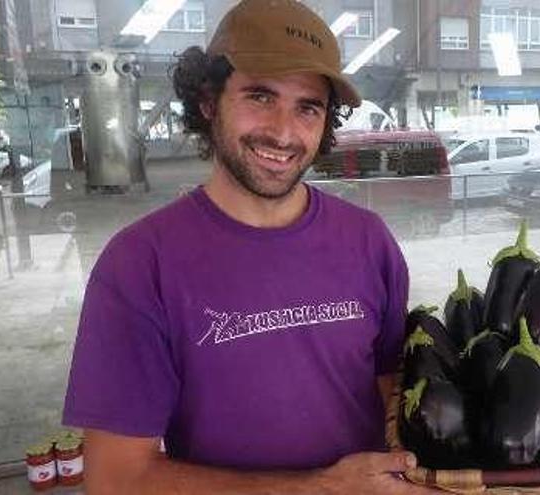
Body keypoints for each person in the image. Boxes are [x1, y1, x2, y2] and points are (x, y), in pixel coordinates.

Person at [62, 1, 439, 493]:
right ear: (207, 101)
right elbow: (116, 478)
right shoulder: (139, 265)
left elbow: (394, 402)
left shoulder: (369, 241)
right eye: (260, 96)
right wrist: (318, 487)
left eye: (308, 107)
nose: (284, 132)